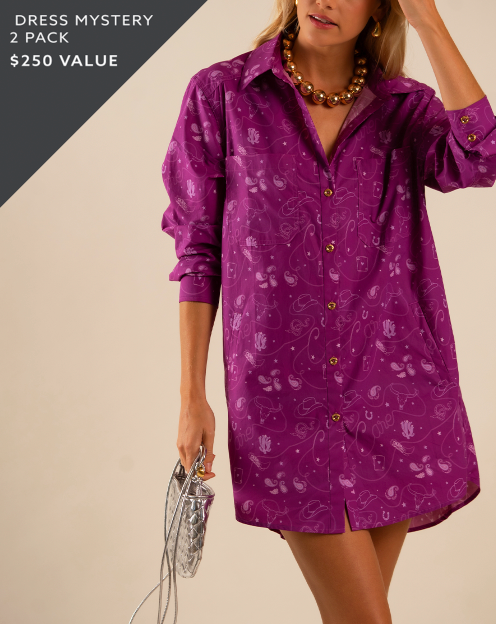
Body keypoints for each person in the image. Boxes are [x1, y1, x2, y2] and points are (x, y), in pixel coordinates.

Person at [160, 1, 496, 622]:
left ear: (380, 8)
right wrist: (192, 396)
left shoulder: (405, 109)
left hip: (398, 397)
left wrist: (427, 19)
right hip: (283, 405)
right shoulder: (223, 95)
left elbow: (482, 157)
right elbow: (198, 252)